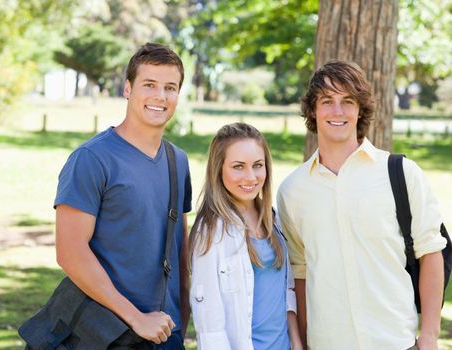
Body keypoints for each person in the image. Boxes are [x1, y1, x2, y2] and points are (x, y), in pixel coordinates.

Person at [277, 60, 446, 350]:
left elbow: (430, 252)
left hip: (395, 342)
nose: (337, 111)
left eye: (348, 101)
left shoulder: (401, 173)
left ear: (360, 109)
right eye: (327, 101)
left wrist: (429, 337)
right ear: (313, 110)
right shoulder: (293, 191)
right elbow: (301, 274)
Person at [54, 43, 192, 348]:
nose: (160, 96)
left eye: (170, 87)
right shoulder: (92, 158)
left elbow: (179, 246)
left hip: (165, 332)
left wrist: (181, 320)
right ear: (128, 89)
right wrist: (137, 318)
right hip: (106, 333)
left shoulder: (177, 161)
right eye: (149, 85)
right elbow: (70, 253)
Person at [189, 122, 302, 350]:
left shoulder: (273, 219)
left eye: (257, 165)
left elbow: (285, 294)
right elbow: (210, 323)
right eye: (238, 167)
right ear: (219, 169)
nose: (250, 177)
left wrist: (297, 344)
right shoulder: (211, 231)